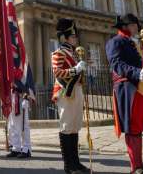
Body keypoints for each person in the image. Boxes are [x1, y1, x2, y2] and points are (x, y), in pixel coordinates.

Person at [105, 13, 143, 174]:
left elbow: (142, 56)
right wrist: (137, 73)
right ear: (125, 26)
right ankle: (135, 167)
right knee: (132, 127)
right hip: (128, 88)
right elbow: (116, 64)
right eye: (134, 25)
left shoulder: (134, 43)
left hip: (140, 88)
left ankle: (139, 164)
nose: (137, 28)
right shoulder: (115, 42)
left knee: (137, 127)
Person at [51, 18, 89, 174]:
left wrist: (82, 68)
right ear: (65, 38)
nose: (76, 39)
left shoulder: (74, 54)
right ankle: (68, 165)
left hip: (77, 91)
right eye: (73, 37)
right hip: (65, 92)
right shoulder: (58, 53)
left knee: (75, 127)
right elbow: (58, 72)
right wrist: (75, 69)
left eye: (75, 36)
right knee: (66, 127)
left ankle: (76, 162)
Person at [6, 79, 33, 159]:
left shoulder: (23, 66)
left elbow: (28, 81)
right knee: (13, 125)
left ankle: (26, 149)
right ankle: (16, 148)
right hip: (13, 96)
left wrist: (26, 97)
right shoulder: (10, 67)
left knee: (24, 126)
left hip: (21, 97)